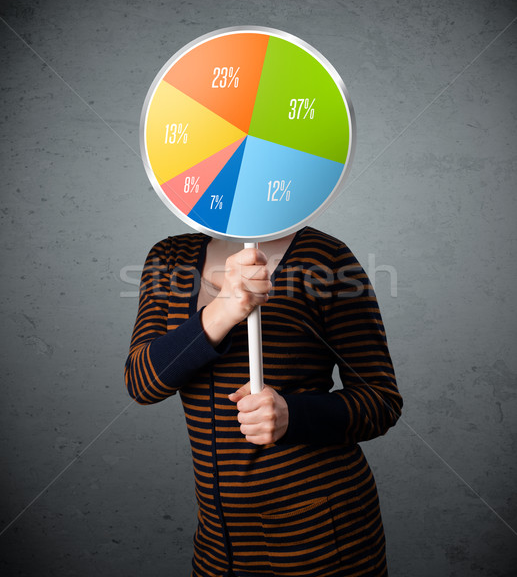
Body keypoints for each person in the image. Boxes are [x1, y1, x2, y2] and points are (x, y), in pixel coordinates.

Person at [124, 225, 403, 577]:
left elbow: (381, 398)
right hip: (218, 539)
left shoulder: (326, 258)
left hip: (318, 533)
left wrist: (293, 415)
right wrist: (223, 310)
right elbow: (142, 383)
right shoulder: (169, 259)